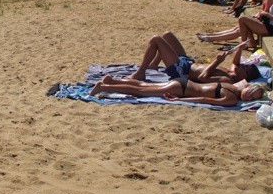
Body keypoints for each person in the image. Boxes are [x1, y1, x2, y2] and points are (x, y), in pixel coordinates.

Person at [129, 31, 261, 84]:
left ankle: (141, 73)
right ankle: (153, 64)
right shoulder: (234, 72)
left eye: (245, 67)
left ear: (245, 76)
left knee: (156, 40)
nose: (241, 65)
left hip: (182, 71)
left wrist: (217, 61)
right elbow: (235, 62)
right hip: (187, 62)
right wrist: (240, 48)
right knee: (167, 35)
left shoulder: (229, 79)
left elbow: (202, 78)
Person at [89, 74, 267, 107]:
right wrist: (179, 100)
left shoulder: (232, 86)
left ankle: (112, 80)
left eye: (252, 97)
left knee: (143, 87)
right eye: (252, 92)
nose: (249, 95)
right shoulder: (231, 98)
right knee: (142, 92)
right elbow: (204, 100)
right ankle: (105, 86)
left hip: (183, 83)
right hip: (182, 90)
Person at [197, 0, 273, 47]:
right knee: (238, 27)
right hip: (266, 23)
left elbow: (269, 15)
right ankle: (210, 36)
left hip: (270, 27)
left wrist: (266, 14)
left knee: (242, 20)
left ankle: (243, 43)